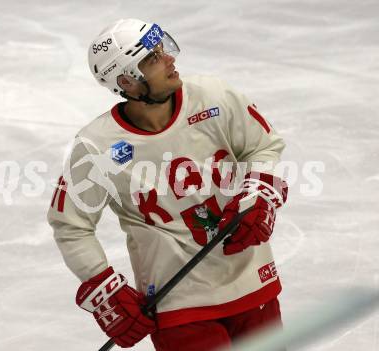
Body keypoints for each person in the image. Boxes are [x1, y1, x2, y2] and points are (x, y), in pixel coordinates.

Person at [48, 18, 288, 351]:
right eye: (153, 58)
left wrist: (259, 192)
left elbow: (263, 145)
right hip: (180, 305)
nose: (170, 60)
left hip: (251, 281)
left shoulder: (214, 97)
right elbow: (71, 225)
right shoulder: (96, 146)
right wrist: (104, 284)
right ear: (127, 82)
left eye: (164, 50)